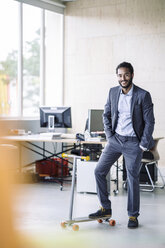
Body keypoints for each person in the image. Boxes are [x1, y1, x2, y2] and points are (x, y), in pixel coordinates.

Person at [89, 62, 155, 228]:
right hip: (116, 140)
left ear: (132, 75)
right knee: (99, 170)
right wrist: (110, 136)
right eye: (119, 75)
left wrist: (142, 145)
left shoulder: (143, 95)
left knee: (132, 178)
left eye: (126, 74)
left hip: (134, 142)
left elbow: (149, 122)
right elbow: (106, 115)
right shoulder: (112, 92)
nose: (122, 78)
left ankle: (133, 216)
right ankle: (105, 208)